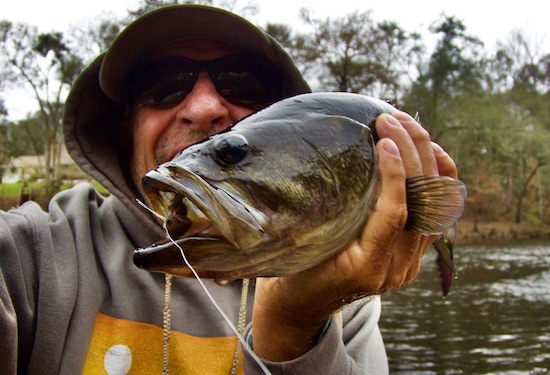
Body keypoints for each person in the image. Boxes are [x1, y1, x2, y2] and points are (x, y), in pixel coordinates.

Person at [0, 4, 458, 374]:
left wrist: (295, 329)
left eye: (240, 82)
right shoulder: (30, 260)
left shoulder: (345, 290)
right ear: (125, 130)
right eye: (164, 84)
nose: (202, 108)